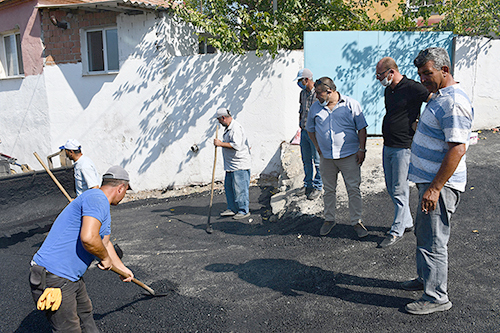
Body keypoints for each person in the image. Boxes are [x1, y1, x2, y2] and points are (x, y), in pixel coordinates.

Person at [402, 47, 473, 315]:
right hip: (429, 183)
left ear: (445, 70)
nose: (422, 79)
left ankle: (436, 297)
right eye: (420, 74)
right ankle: (425, 280)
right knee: (424, 235)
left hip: (439, 187)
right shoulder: (440, 96)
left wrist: (434, 188)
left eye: (427, 73)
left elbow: (457, 148)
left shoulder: (453, 102)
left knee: (434, 240)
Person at [29, 165, 135, 331]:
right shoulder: (96, 198)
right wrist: (105, 259)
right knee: (69, 329)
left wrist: (122, 268)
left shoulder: (101, 206)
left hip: (71, 277)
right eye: (126, 192)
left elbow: (105, 243)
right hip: (54, 277)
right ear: (122, 188)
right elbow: (89, 238)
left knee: (85, 314)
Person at [375, 57, 431, 248]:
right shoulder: (389, 89)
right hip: (388, 145)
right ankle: (406, 221)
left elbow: (433, 100)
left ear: (391, 72)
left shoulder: (412, 87)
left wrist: (423, 125)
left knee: (400, 189)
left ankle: (396, 230)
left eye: (380, 75)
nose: (378, 79)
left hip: (403, 147)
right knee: (391, 188)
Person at [306, 77, 369, 238]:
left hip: (349, 155)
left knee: (353, 189)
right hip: (326, 157)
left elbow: (362, 128)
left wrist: (362, 149)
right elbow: (310, 129)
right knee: (328, 190)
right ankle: (329, 219)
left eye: (319, 93)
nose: (317, 96)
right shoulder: (315, 108)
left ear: (330, 91)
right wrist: (318, 146)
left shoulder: (350, 104)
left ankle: (356, 221)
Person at [214, 108, 252, 220]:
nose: (219, 122)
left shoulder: (236, 128)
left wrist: (220, 144)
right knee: (229, 187)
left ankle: (243, 210)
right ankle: (232, 208)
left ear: (223, 118)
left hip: (239, 165)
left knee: (240, 189)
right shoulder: (228, 128)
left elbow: (236, 145)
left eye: (219, 120)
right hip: (230, 165)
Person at [294, 68, 322, 200]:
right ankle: (308, 184)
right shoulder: (302, 94)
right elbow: (302, 111)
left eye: (300, 80)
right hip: (304, 131)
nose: (299, 83)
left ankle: (318, 186)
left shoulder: (318, 94)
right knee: (306, 160)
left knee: (318, 161)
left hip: (315, 133)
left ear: (306, 80)